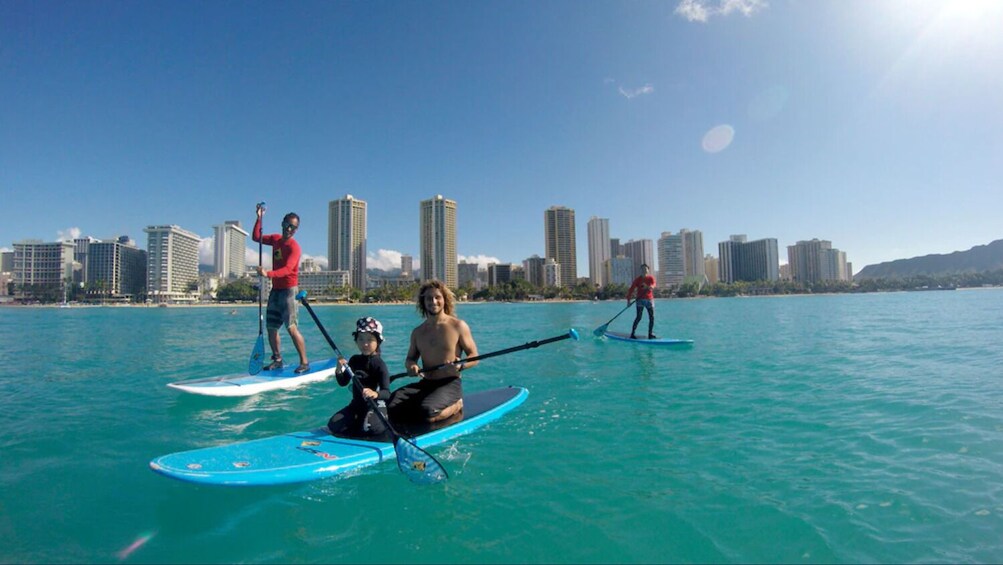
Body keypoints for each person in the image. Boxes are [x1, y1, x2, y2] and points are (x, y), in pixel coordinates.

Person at [388, 280, 478, 423]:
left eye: (437, 297)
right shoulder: (417, 332)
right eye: (429, 298)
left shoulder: (458, 326)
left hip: (450, 383)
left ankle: (456, 405)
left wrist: (460, 365)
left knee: (428, 413)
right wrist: (411, 366)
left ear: (444, 300)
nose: (433, 301)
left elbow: (474, 356)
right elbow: (410, 359)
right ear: (423, 302)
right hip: (426, 383)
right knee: (391, 404)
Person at [252, 205, 309, 373]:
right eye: (288, 225)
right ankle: (277, 359)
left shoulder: (294, 248)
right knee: (271, 328)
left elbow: (289, 269)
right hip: (275, 291)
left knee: (291, 328)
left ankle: (304, 362)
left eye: (293, 227)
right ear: (282, 223)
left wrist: (267, 273)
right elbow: (257, 237)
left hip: (289, 291)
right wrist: (259, 217)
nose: (289, 229)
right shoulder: (276, 239)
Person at [327, 317, 390, 437]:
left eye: (369, 340)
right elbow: (343, 382)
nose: (364, 344)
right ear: (356, 341)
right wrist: (339, 369)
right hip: (357, 405)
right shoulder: (354, 360)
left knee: (372, 429)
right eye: (360, 339)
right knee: (333, 425)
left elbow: (386, 393)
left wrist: (375, 393)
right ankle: (359, 421)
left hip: (376, 405)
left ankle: (377, 420)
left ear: (378, 342)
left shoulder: (379, 364)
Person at [626, 263, 657, 340]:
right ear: (641, 270)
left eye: (645, 269)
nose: (644, 270)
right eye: (642, 269)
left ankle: (650, 334)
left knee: (652, 317)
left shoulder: (651, 278)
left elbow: (654, 284)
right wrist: (628, 301)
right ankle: (632, 334)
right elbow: (631, 290)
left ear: (648, 270)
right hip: (640, 300)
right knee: (639, 317)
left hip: (649, 300)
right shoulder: (638, 280)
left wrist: (651, 287)